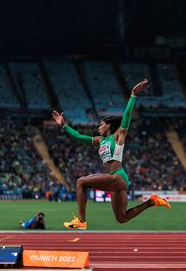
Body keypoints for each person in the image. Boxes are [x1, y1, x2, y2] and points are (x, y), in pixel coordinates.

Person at [52, 79, 170, 230]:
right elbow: (79, 137)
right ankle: (152, 202)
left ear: (108, 126)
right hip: (114, 181)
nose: (99, 126)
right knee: (122, 218)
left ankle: (81, 219)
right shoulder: (100, 140)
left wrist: (133, 94)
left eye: (101, 124)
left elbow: (126, 117)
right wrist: (64, 125)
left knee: (81, 182)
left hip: (118, 176)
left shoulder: (118, 136)